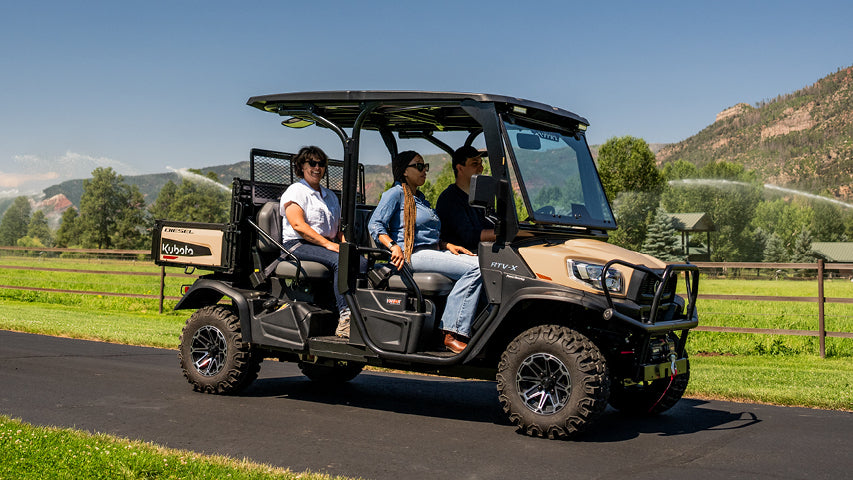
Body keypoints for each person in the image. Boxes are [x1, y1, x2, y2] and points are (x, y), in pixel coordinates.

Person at [368, 151, 483, 353]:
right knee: (476, 268)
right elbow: (376, 225)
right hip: (410, 255)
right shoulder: (395, 194)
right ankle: (450, 331)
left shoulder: (420, 199)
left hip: (430, 251)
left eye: (425, 166)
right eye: (419, 166)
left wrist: (446, 245)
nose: (424, 171)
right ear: (404, 171)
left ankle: (474, 327)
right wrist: (393, 246)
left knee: (485, 263)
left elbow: (425, 234)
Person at [278, 146, 365, 338]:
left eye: (321, 164)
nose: (317, 168)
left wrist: (346, 246)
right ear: (301, 166)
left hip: (325, 244)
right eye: (312, 163)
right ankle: (345, 318)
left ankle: (361, 311)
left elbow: (339, 230)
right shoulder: (296, 191)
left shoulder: (330, 196)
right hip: (298, 245)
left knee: (362, 262)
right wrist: (330, 246)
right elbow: (298, 225)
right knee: (339, 260)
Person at [435, 145, 496, 253]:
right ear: (460, 168)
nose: (481, 168)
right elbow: (469, 237)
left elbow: (492, 222)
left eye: (481, 164)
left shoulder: (481, 196)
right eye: (474, 164)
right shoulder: (450, 199)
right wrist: (505, 233)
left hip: (484, 252)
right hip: (463, 255)